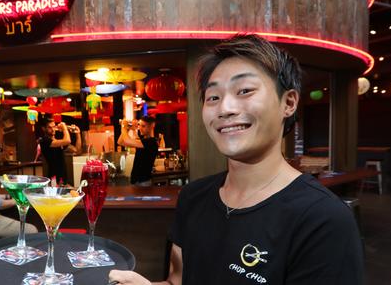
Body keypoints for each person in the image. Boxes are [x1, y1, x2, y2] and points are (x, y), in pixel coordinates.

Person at [109, 34, 363, 284]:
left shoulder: (323, 220)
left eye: (244, 90)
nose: (225, 108)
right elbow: (178, 281)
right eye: (213, 97)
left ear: (288, 102)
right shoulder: (193, 197)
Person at [117, 116, 159, 186]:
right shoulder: (143, 141)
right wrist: (128, 129)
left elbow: (127, 140)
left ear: (151, 126)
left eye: (143, 126)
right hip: (136, 181)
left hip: (144, 182)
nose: (140, 128)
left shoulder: (152, 142)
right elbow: (120, 142)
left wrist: (123, 126)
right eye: (139, 125)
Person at [38, 118, 80, 184]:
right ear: (43, 128)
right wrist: (64, 128)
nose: (53, 129)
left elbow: (76, 150)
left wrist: (78, 134)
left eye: (54, 126)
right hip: (53, 177)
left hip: (63, 177)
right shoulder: (44, 141)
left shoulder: (58, 141)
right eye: (49, 127)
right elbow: (67, 141)